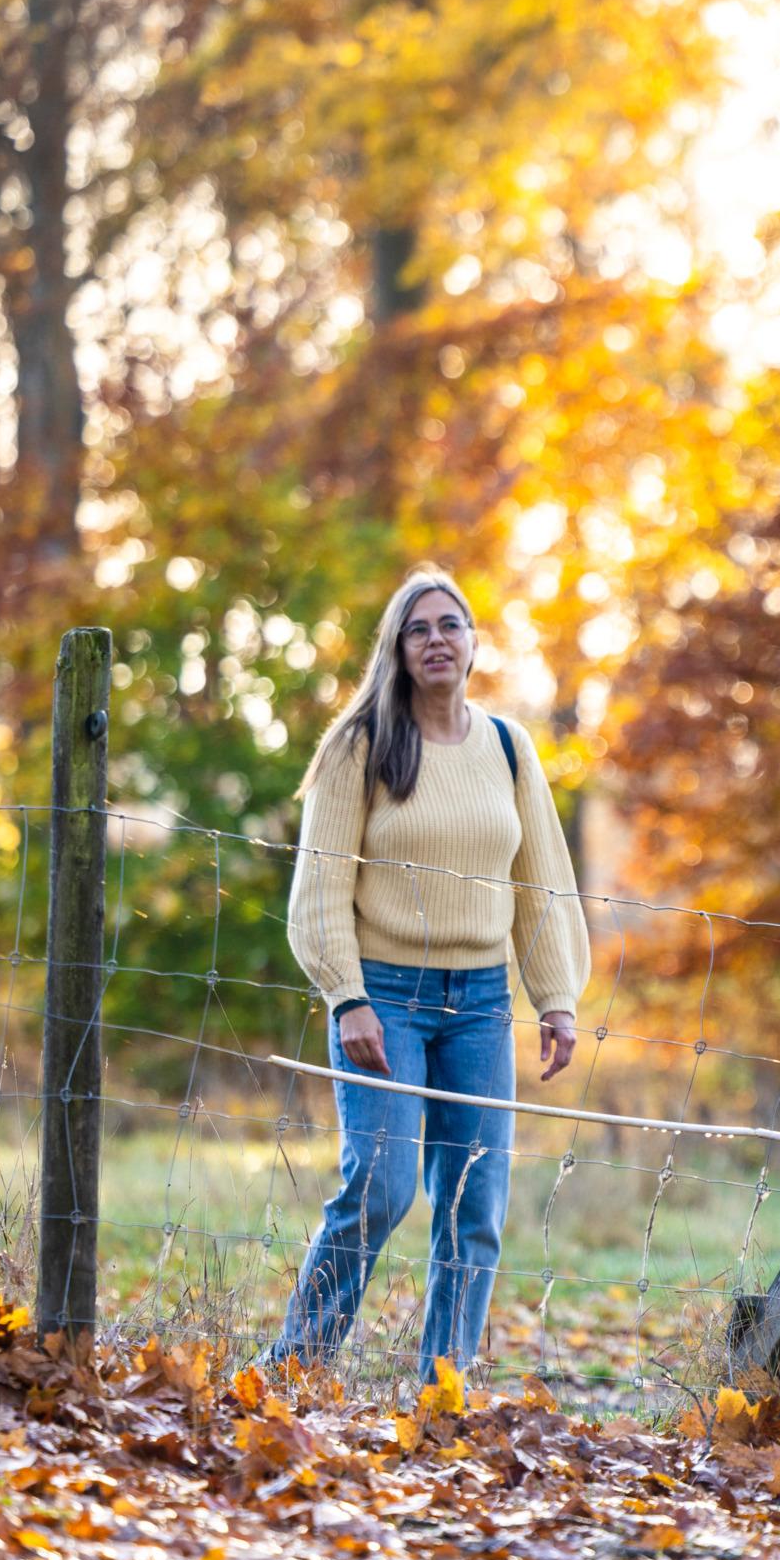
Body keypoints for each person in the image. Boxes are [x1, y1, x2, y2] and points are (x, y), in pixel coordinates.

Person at [272, 570, 589, 1381]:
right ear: (398, 648)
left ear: (475, 642)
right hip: (384, 997)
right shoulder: (362, 746)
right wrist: (347, 997)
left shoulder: (510, 749)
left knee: (474, 1208)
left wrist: (555, 1000)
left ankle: (441, 1395)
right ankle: (290, 1372)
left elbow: (541, 885)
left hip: (481, 1003)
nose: (437, 639)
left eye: (452, 624)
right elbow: (318, 889)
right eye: (419, 629)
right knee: (380, 1188)